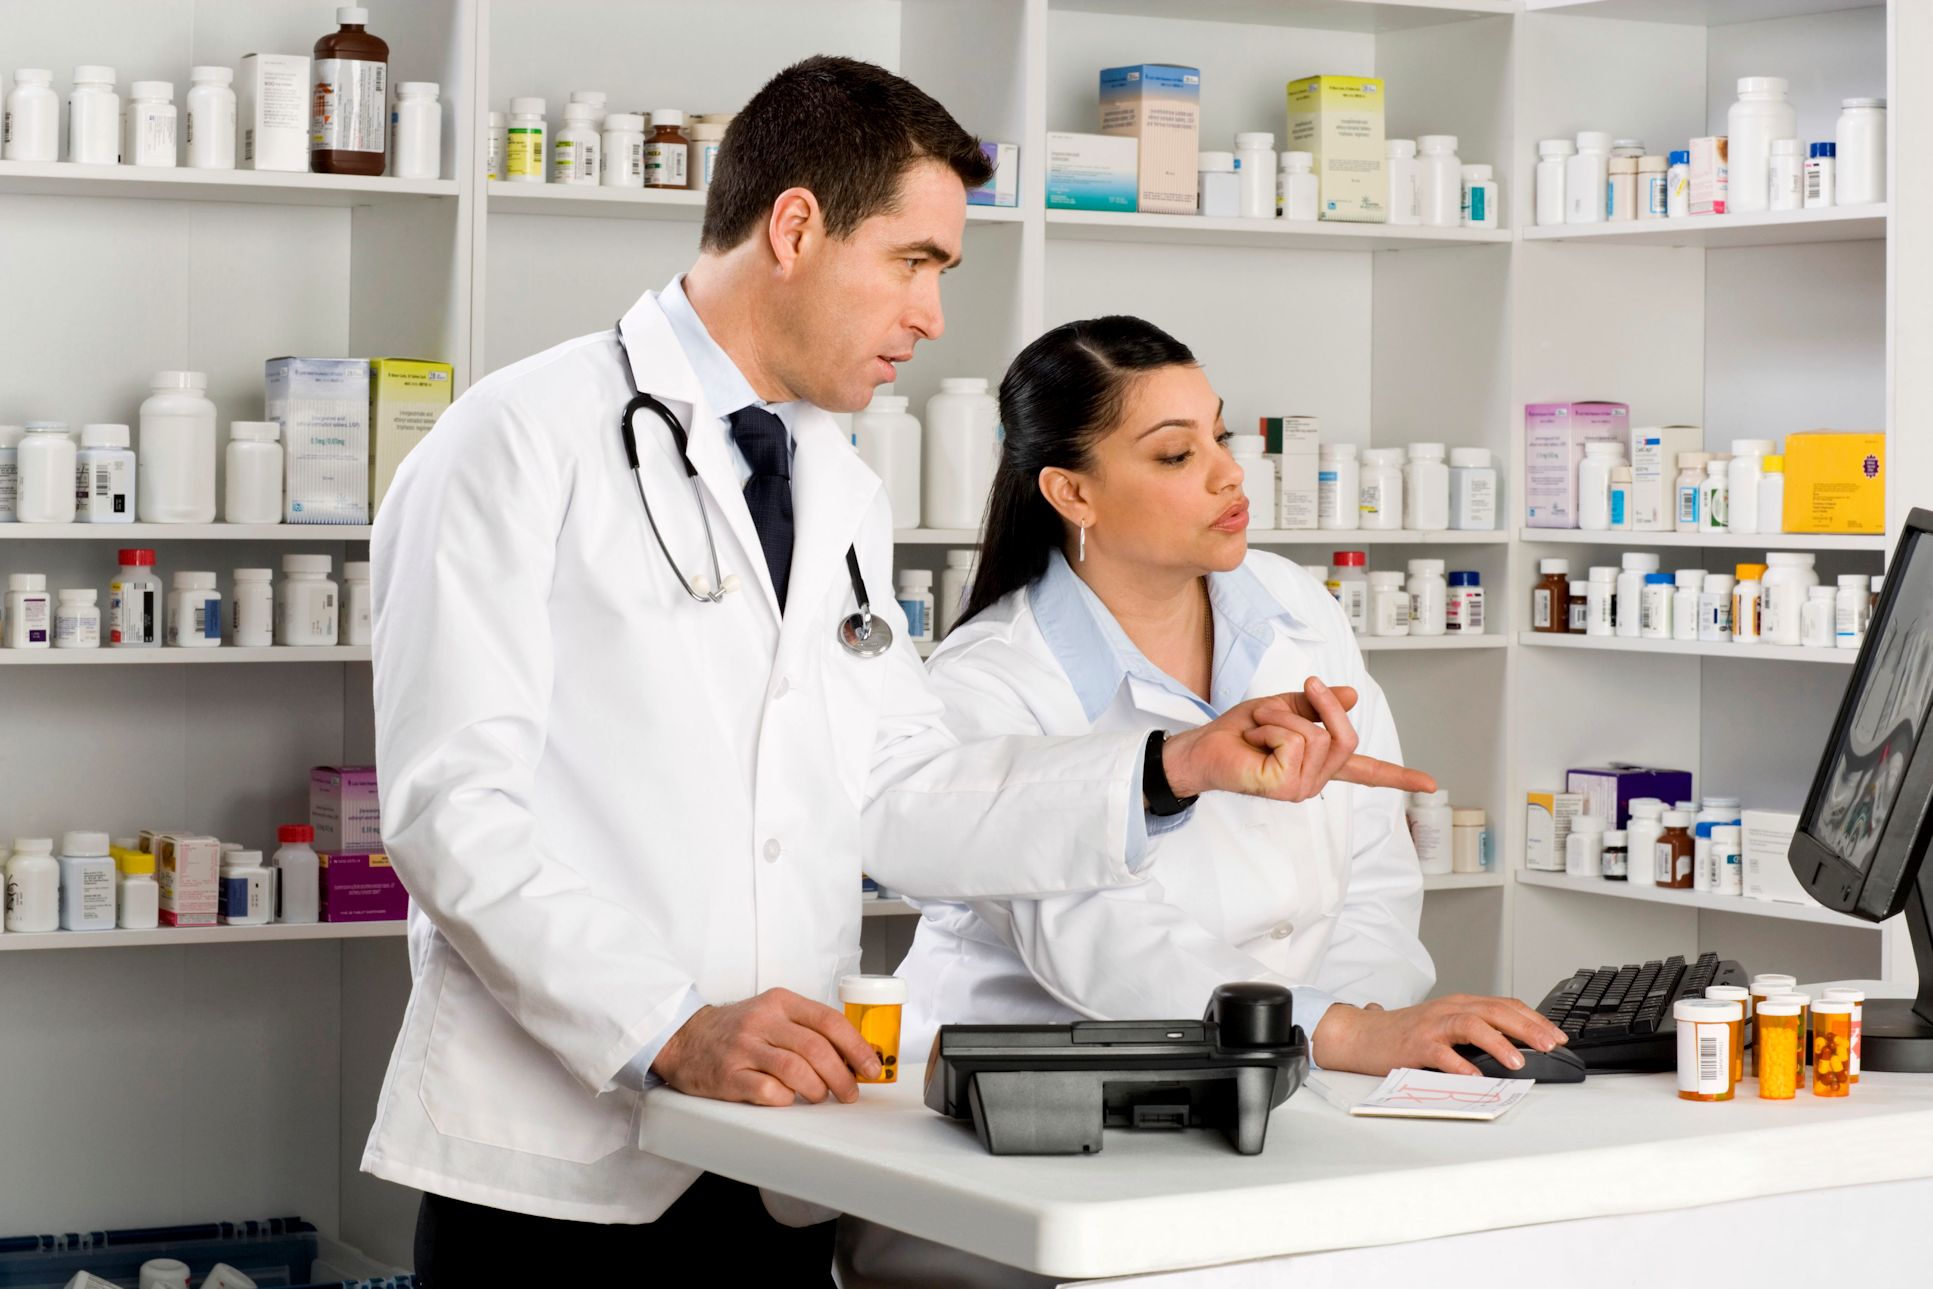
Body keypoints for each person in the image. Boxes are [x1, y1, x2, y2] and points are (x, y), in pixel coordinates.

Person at [364, 62, 1432, 1284]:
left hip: (783, 1151)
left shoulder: (836, 485)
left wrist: (1169, 765)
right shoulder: (515, 441)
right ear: (797, 226)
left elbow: (900, 792)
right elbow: (453, 813)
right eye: (914, 261)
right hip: (564, 1163)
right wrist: (667, 1026)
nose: (931, 316)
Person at [838, 315, 1567, 1287]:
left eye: (1220, 436)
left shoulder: (1290, 608)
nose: (1229, 475)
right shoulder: (992, 682)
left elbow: (1373, 871)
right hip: (1032, 1149)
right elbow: (1101, 947)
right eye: (1177, 453)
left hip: (1280, 1098)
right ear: (1071, 491)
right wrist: (1339, 1032)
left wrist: (1356, 1034)